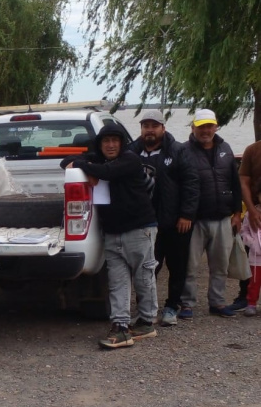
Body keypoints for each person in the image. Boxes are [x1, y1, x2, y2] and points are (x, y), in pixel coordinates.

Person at [62, 124, 159, 349]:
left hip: (139, 228)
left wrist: (83, 165)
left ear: (122, 143)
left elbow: (108, 173)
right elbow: (65, 161)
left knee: (144, 278)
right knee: (117, 282)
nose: (111, 145)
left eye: (115, 140)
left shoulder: (130, 159)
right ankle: (121, 327)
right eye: (106, 141)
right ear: (100, 144)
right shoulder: (98, 159)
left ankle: (146, 322)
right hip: (112, 231)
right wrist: (81, 163)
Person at [128, 111, 199, 326]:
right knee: (147, 269)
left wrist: (187, 214)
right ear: (141, 129)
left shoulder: (178, 151)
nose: (150, 129)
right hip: (144, 223)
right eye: (145, 125)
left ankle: (171, 307)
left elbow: (191, 184)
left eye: (154, 125)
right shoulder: (131, 152)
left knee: (177, 267)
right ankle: (145, 309)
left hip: (176, 222)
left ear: (163, 128)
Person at [180, 109, 243, 319]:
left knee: (220, 265)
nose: (206, 130)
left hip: (223, 218)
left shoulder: (225, 148)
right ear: (193, 128)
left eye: (209, 126)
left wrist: (237, 213)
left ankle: (217, 302)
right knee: (189, 265)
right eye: (201, 126)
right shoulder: (183, 151)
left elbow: (235, 182)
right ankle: (187, 304)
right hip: (194, 220)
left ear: (216, 127)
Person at [231, 135, 261, 311]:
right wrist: (251, 209)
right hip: (255, 208)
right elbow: (243, 181)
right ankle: (245, 297)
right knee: (249, 256)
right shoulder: (253, 150)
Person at [240, 180, 261, 316]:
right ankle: (251, 303)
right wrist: (251, 242)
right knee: (254, 282)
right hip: (256, 256)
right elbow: (244, 231)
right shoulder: (251, 213)